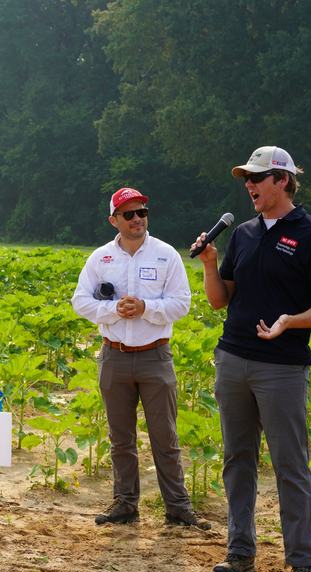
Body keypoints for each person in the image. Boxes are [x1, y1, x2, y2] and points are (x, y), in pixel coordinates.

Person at [190, 146, 311, 572]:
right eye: (246, 180)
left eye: (257, 178)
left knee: (290, 463)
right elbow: (220, 300)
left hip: (282, 367)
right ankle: (240, 551)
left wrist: (290, 322)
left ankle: (303, 563)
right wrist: (210, 264)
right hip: (233, 358)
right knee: (238, 459)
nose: (249, 186)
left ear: (283, 181)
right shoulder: (246, 234)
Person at [72, 187, 210, 530]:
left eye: (142, 212)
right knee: (121, 438)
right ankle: (125, 504)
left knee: (165, 437)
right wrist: (113, 309)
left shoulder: (165, 255)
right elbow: (80, 302)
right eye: (129, 214)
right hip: (114, 356)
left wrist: (146, 308)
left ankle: (178, 509)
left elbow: (182, 303)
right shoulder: (100, 258)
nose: (138, 219)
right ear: (113, 220)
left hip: (155, 356)